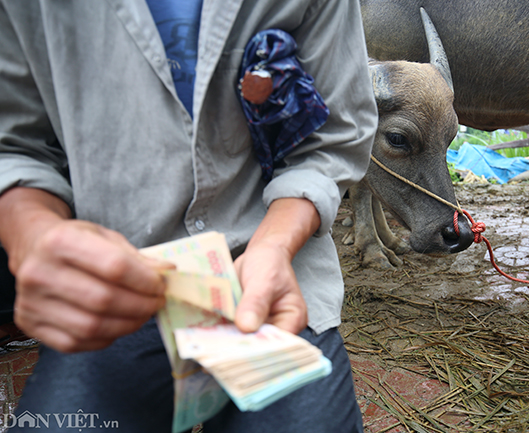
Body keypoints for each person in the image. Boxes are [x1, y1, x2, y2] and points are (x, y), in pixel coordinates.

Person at [0, 1, 377, 432]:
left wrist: (273, 245)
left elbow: (336, 136)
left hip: (268, 279)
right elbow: (13, 145)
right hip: (114, 283)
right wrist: (33, 234)